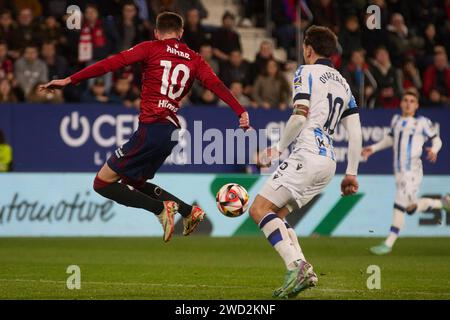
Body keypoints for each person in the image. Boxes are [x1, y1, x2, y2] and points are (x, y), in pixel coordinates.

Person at [40, 12, 250, 242]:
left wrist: (69, 80)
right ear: (181, 33)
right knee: (134, 182)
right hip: (170, 134)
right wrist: (240, 111)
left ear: (156, 32)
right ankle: (188, 212)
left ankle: (160, 210)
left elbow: (110, 64)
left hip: (151, 128)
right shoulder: (194, 58)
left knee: (101, 183)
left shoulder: (150, 48)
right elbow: (216, 85)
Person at [248, 26, 362, 299]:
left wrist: (277, 148)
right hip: (329, 163)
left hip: (307, 154)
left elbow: (300, 116)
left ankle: (294, 265)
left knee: (259, 209)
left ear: (309, 49)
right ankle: (305, 270)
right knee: (277, 215)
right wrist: (352, 173)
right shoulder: (344, 84)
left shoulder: (305, 72)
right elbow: (355, 131)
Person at [362, 89, 450, 255]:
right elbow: (390, 139)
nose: (408, 103)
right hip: (399, 171)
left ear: (416, 105)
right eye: (405, 100)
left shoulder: (422, 122)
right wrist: (372, 148)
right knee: (410, 207)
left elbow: (437, 139)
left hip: (413, 169)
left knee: (399, 204)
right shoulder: (396, 120)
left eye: (412, 101)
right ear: (401, 103)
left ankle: (388, 243)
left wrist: (435, 150)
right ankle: (442, 203)